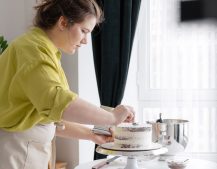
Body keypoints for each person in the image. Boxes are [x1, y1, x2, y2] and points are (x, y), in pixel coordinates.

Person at [0, 0, 135, 169]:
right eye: (84, 31)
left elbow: (52, 118)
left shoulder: (42, 49)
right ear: (63, 22)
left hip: (24, 151)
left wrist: (92, 135)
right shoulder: (33, 50)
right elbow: (59, 102)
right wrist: (112, 118)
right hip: (17, 154)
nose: (86, 40)